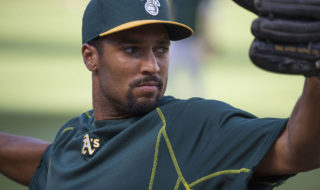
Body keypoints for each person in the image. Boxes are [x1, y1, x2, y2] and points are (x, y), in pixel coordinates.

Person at [1, 0, 320, 189]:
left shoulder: (192, 127)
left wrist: (316, 71)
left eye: (161, 49)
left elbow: (298, 150)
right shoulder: (75, 135)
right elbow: (49, 163)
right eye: (131, 49)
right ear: (90, 57)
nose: (152, 65)